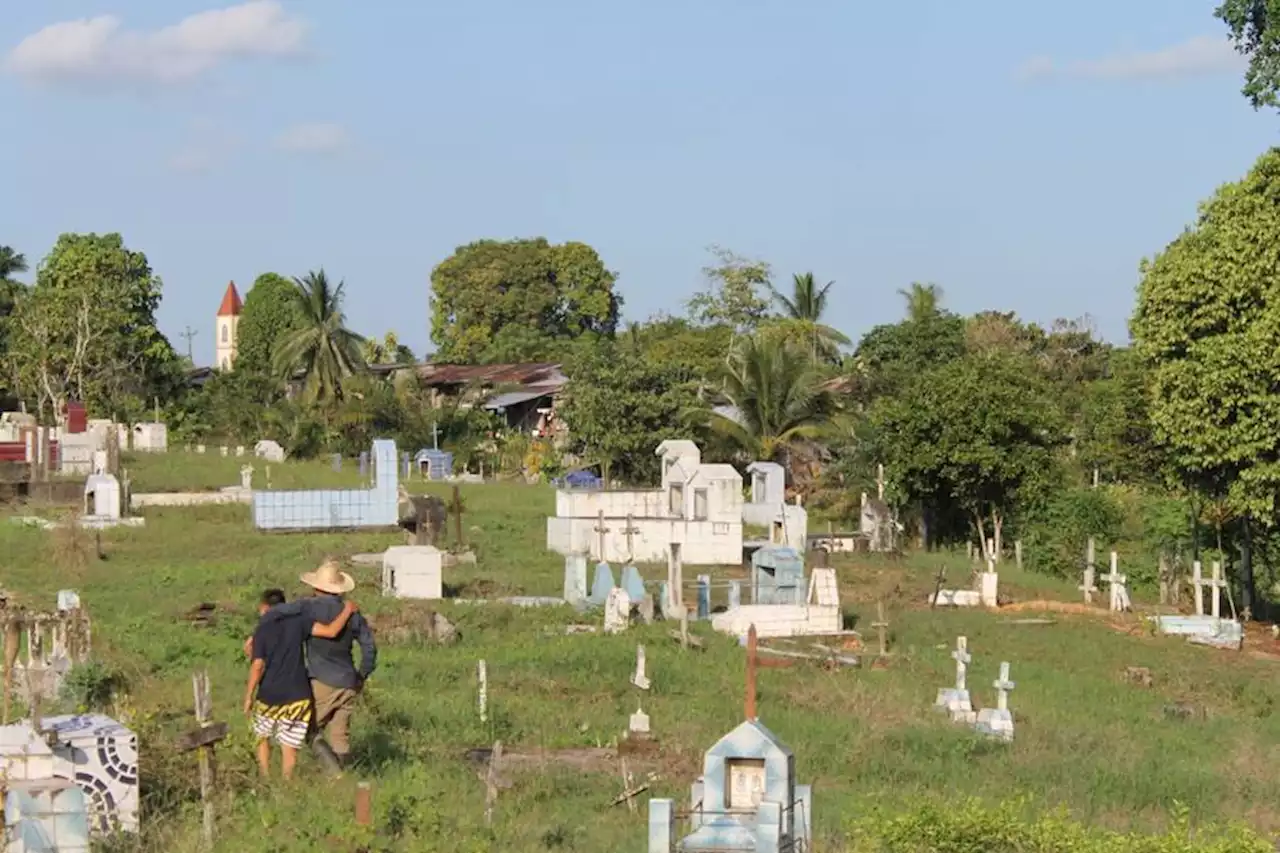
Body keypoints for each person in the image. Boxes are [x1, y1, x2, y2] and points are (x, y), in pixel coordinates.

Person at [248, 558, 377, 772]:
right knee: (340, 736)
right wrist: (361, 675)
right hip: (349, 681)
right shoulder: (352, 613)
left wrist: (260, 631)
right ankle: (342, 783)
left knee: (303, 729)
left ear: (317, 587)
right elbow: (369, 647)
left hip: (322, 680)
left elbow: (278, 613)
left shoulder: (306, 608)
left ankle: (335, 776)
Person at [243, 588, 357, 780]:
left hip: (269, 694)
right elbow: (331, 631)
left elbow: (258, 665)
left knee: (261, 736)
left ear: (264, 607)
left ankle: (265, 777)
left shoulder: (262, 627)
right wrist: (347, 610)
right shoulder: (299, 621)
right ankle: (287, 782)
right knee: (290, 745)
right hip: (297, 694)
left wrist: (248, 696)